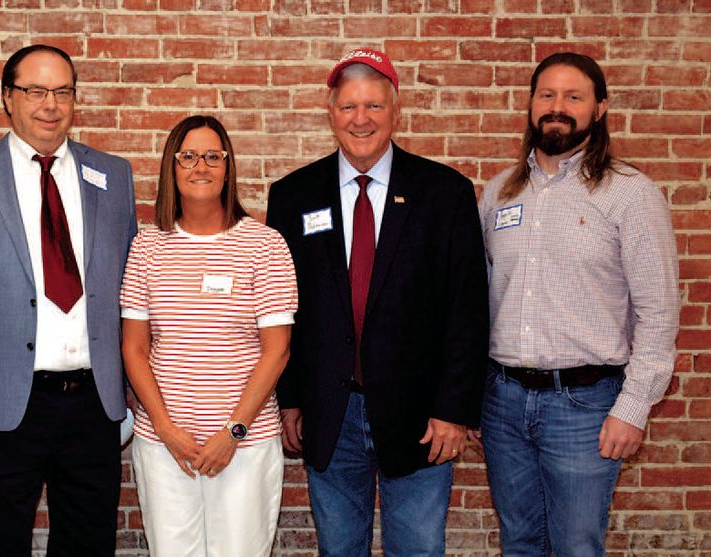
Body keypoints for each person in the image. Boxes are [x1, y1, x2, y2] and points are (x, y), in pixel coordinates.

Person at [265, 48, 489, 555]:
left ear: (396, 110)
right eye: (348, 107)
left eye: (373, 106)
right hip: (330, 415)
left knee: (417, 548)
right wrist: (292, 399)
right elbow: (284, 309)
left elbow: (467, 311)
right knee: (339, 549)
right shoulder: (293, 195)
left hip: (420, 419)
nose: (360, 119)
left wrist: (453, 410)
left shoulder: (445, 192)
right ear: (331, 113)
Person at [0, 44, 137, 556]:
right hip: (0, 399)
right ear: (7, 98)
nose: (51, 104)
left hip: (93, 402)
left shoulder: (113, 176)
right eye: (36, 90)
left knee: (88, 546)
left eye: (63, 91)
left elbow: (131, 286)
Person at [476, 52, 679, 556]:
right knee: (520, 541)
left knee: (576, 546)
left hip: (585, 406)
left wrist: (633, 408)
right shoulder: (500, 193)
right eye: (546, 94)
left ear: (600, 108)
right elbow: (478, 298)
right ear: (530, 105)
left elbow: (657, 310)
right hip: (503, 402)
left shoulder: (630, 194)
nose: (557, 107)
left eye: (573, 96)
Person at [120, 115, 297, 556]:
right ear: (172, 167)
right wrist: (164, 427)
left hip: (245, 444)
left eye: (214, 156)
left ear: (228, 166)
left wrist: (232, 432)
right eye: (189, 156)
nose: (202, 166)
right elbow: (134, 347)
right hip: (164, 445)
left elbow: (277, 352)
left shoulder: (266, 245)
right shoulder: (147, 246)